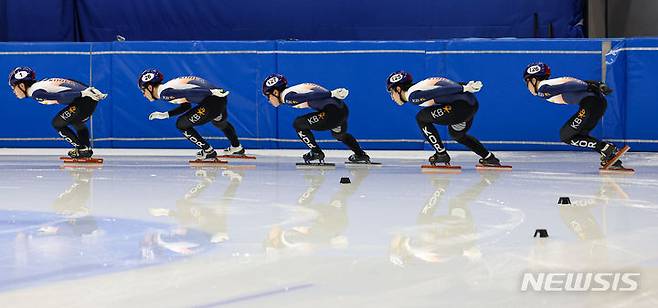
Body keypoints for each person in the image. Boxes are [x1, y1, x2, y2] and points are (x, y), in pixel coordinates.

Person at [386, 71, 502, 167]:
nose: (392, 97)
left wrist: (463, 87)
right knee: (456, 135)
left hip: (460, 107)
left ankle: (441, 154)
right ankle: (489, 158)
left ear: (398, 89)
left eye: (391, 92)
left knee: (421, 118)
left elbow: (438, 91)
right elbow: (447, 87)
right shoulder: (420, 85)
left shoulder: (413, 96)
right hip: (470, 105)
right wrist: (465, 86)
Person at [523, 62, 626, 169]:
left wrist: (589, 86)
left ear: (534, 80)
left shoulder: (542, 88)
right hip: (599, 104)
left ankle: (605, 148)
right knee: (580, 135)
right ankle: (610, 155)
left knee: (566, 135)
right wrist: (597, 84)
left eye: (527, 82)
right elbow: (575, 84)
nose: (527, 86)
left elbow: (566, 87)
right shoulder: (553, 82)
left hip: (590, 104)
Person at [261, 74, 370, 164]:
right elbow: (311, 95)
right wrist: (331, 94)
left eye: (268, 96)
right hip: (341, 110)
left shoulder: (287, 97)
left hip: (332, 113)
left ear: (275, 92)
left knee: (298, 124)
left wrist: (331, 93)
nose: (269, 100)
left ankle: (316, 152)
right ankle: (360, 154)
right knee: (338, 134)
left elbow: (308, 96)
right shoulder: (293, 90)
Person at [138, 69, 244, 160]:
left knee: (181, 124)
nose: (143, 95)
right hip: (218, 99)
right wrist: (165, 114)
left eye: (143, 91)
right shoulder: (168, 87)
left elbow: (188, 93)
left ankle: (208, 151)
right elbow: (186, 106)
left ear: (150, 88)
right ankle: (236, 147)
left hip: (211, 100)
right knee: (220, 123)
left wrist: (210, 92)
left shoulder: (165, 93)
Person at [8, 66, 107, 158]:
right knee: (75, 121)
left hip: (83, 100)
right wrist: (89, 89)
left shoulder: (36, 93)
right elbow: (70, 81)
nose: (13, 91)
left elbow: (60, 97)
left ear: (21, 85)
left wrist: (82, 93)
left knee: (57, 123)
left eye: (13, 87)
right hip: (88, 99)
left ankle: (82, 148)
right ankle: (86, 149)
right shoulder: (42, 84)